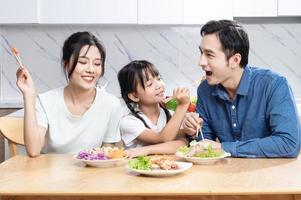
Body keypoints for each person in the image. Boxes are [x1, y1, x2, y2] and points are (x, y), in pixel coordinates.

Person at [182, 20, 300, 158]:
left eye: (209, 55)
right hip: (227, 174)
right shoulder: (205, 90)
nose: (200, 62)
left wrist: (223, 147)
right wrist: (193, 131)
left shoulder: (274, 85)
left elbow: (288, 144)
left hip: (270, 174)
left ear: (235, 60)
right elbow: (204, 144)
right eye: (201, 53)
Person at [16, 31, 123, 157]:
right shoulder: (46, 101)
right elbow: (33, 151)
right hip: (50, 175)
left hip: (91, 174)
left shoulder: (111, 105)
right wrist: (29, 96)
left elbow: (105, 155)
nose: (91, 69)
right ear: (66, 64)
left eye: (97, 64)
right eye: (82, 62)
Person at [118, 60, 190, 157]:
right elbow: (163, 138)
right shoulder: (128, 122)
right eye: (150, 84)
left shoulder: (171, 115)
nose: (159, 85)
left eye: (159, 79)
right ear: (134, 96)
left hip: (166, 169)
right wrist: (182, 105)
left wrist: (146, 150)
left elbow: (183, 143)